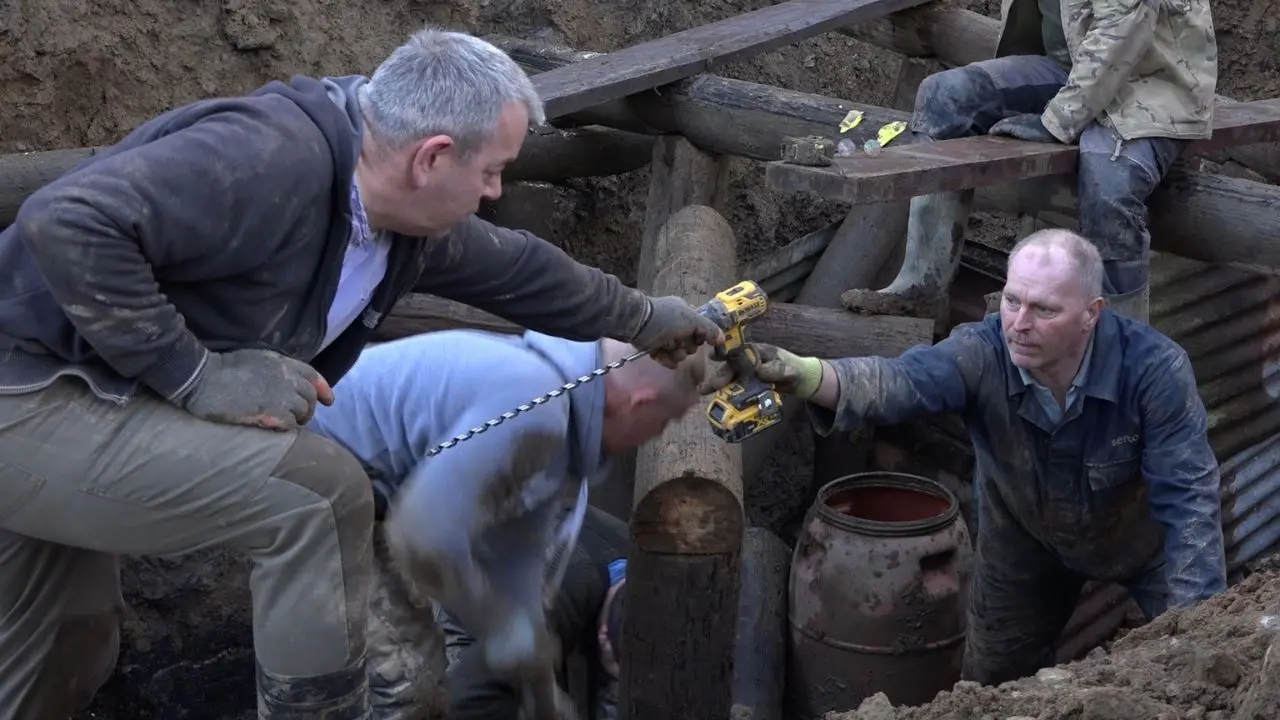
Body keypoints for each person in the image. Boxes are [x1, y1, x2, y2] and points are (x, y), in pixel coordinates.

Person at [0, 27, 722, 720]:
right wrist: (195, 375)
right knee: (316, 498)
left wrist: (645, 318)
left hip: (83, 390)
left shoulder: (391, 218)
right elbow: (67, 222)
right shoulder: (269, 158)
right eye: (492, 170)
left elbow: (520, 268)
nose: (497, 190)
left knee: (64, 645)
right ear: (432, 158)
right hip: (26, 390)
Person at [705, 229, 1227, 685]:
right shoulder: (982, 351)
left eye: (1044, 309)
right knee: (991, 684)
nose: (1019, 323)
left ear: (1092, 314)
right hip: (1022, 539)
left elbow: (1189, 502)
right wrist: (807, 374)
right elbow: (902, 381)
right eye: (1013, 301)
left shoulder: (1153, 371)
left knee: (1194, 665)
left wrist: (1199, 632)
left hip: (1141, 543)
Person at [305, 329, 701, 718]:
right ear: (640, 403)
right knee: (403, 686)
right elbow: (422, 537)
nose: (655, 436)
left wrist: (540, 682)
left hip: (372, 492)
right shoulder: (536, 403)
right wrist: (502, 630)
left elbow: (516, 557)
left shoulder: (561, 427)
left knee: (424, 667)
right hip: (310, 468)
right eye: (664, 423)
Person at [842, 0, 1217, 326]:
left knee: (1109, 179)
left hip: (1150, 85)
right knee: (946, 97)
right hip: (1069, 68)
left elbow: (1122, 28)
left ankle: (1120, 344)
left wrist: (1055, 122)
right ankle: (922, 288)